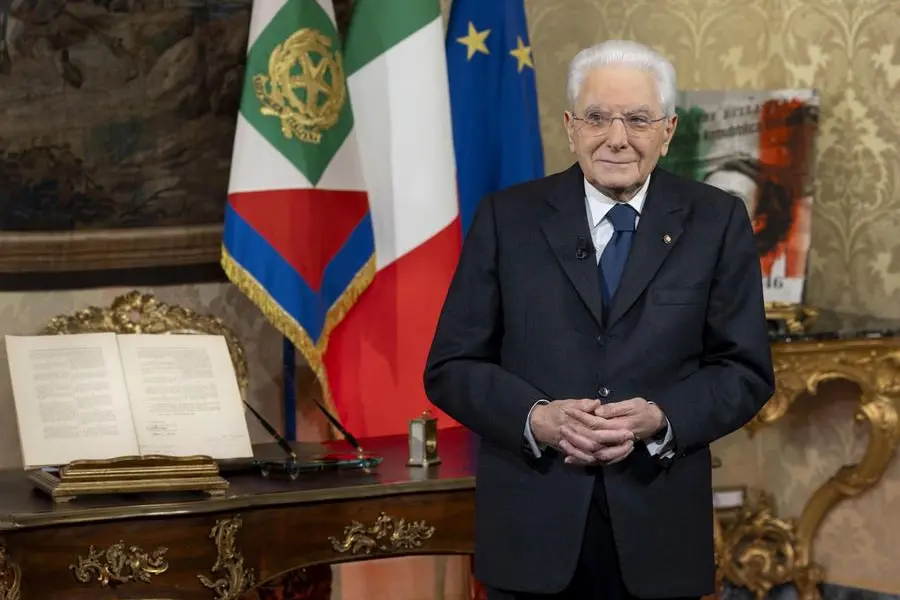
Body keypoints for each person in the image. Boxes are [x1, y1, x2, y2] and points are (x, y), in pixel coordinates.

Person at [424, 40, 775, 600]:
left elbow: (745, 370)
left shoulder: (716, 221)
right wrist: (536, 418)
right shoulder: (507, 218)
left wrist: (661, 418)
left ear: (667, 129)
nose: (617, 138)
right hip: (532, 528)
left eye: (637, 119)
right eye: (597, 117)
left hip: (657, 526)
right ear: (570, 126)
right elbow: (451, 365)